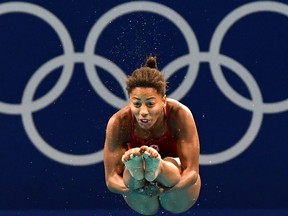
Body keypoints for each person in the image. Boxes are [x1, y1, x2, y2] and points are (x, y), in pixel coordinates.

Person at [103, 55, 201, 215]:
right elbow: (111, 179)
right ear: (129, 101)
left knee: (173, 196)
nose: (143, 112)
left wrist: (163, 190)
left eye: (150, 103)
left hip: (177, 189)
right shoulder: (119, 122)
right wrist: (138, 190)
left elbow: (191, 172)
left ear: (163, 100)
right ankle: (138, 169)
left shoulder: (179, 114)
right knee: (133, 178)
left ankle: (158, 166)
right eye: (136, 104)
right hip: (141, 192)